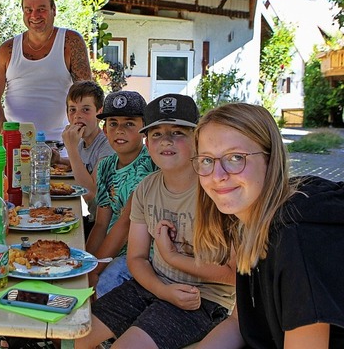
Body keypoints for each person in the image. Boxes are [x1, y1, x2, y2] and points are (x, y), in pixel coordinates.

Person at [76, 94, 235, 349]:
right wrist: (162, 289)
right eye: (157, 134)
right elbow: (137, 258)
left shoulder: (216, 190)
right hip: (152, 284)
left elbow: (234, 275)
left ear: (198, 139)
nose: (166, 141)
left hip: (201, 298)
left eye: (177, 132)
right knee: (78, 335)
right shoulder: (146, 188)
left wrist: (173, 259)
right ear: (147, 143)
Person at [192, 102, 344, 348]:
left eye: (235, 158)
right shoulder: (250, 219)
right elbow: (238, 323)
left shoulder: (296, 236)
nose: (217, 175)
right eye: (207, 160)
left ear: (270, 158)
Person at [0, 0, 92, 141]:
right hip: (17, 146)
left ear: (54, 10)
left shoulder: (70, 42)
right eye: (28, 10)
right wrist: (4, 130)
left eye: (41, 9)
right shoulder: (7, 49)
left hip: (62, 143)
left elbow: (87, 92)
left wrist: (81, 132)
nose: (34, 15)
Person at [85, 91, 157, 297]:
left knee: (98, 291)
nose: (119, 131)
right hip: (112, 247)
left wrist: (95, 269)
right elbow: (101, 223)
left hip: (142, 253)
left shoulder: (150, 166)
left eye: (129, 124)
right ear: (104, 130)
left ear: (144, 130)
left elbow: (126, 225)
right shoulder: (106, 166)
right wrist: (87, 263)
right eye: (113, 123)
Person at [51, 80, 114, 232]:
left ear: (99, 113)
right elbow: (82, 164)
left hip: (108, 226)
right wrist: (60, 160)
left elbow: (91, 192)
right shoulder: (82, 142)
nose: (77, 116)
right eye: (72, 110)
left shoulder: (107, 145)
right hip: (93, 218)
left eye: (85, 109)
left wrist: (71, 148)